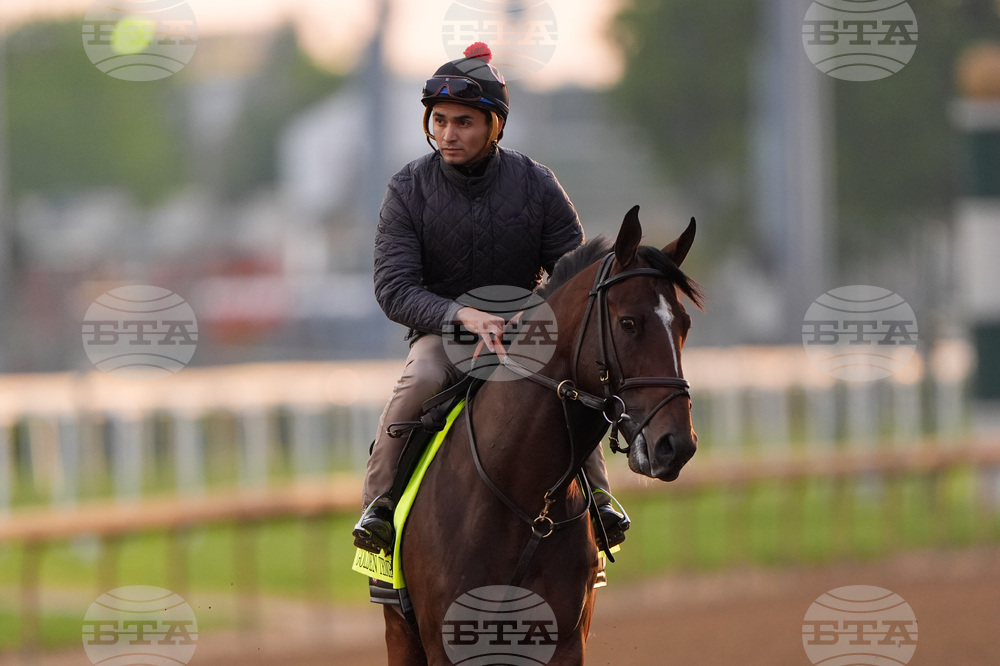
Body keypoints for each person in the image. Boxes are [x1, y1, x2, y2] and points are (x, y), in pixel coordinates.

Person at [353, 42, 628, 555]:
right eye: (439, 121)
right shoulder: (407, 189)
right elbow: (393, 287)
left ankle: (601, 504)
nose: (448, 135)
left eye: (463, 122)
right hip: (443, 332)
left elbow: (575, 276)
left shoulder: (538, 185)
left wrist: (527, 318)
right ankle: (379, 511)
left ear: (494, 127)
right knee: (420, 381)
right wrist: (458, 314)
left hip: (525, 331)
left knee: (573, 381)